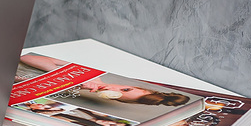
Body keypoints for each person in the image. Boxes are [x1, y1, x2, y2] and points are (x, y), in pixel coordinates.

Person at [18, 53, 190, 107]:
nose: (113, 90)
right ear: (127, 84)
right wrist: (69, 77)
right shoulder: (90, 75)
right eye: (125, 89)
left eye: (118, 96)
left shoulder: (77, 91)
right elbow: (27, 57)